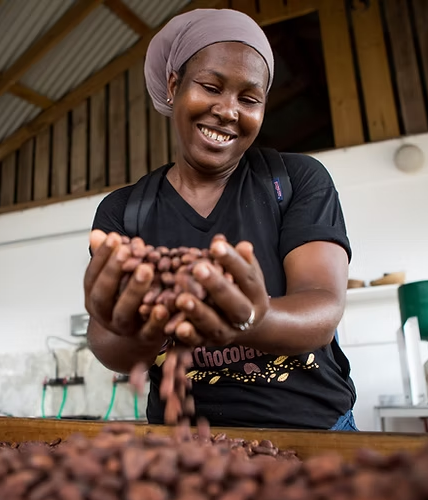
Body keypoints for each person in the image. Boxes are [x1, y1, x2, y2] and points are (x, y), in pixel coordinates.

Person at [84, 8, 358, 431]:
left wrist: (254, 319)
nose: (228, 111)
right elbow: (111, 347)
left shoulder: (296, 180)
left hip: (313, 431)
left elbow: (323, 305)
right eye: (211, 86)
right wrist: (141, 329)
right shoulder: (124, 212)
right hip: (183, 444)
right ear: (174, 86)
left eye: (249, 99)